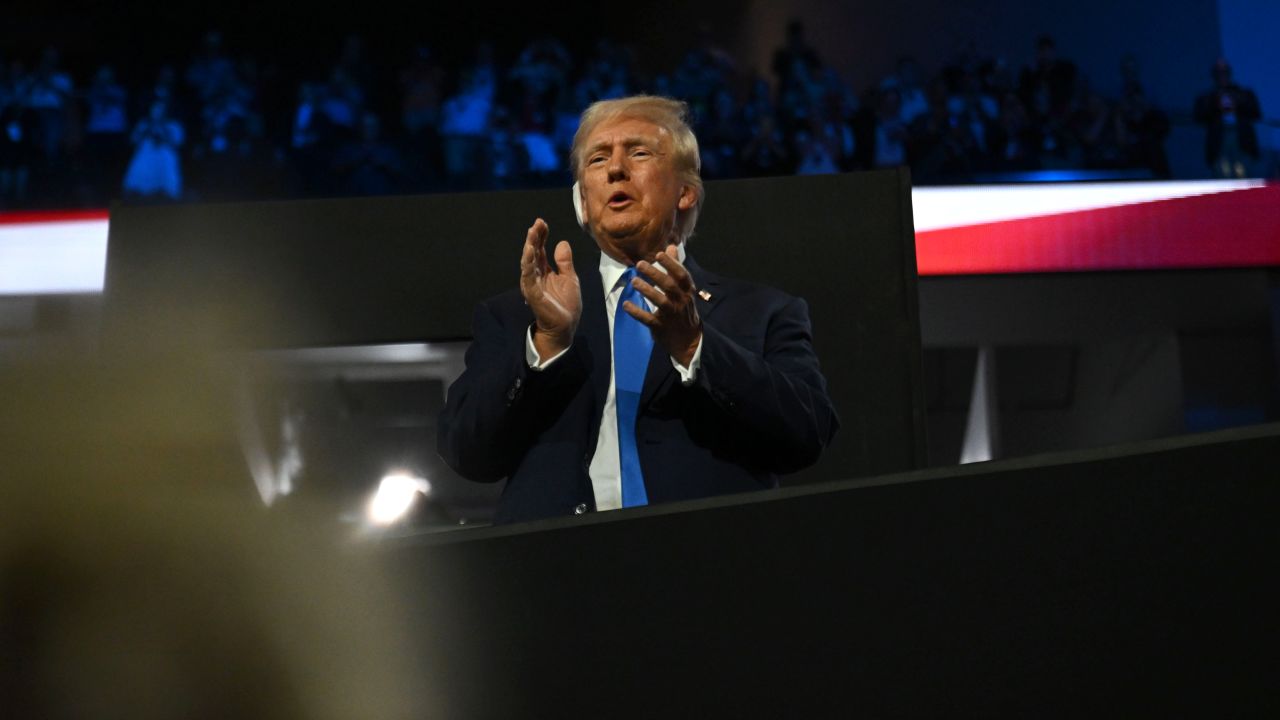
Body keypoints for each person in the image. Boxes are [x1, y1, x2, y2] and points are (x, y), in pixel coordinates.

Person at [437, 95, 838, 524]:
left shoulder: (763, 311)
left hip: (708, 569)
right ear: (583, 203)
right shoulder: (520, 316)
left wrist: (696, 346)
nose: (615, 169)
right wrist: (547, 343)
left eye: (639, 152)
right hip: (555, 571)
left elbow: (807, 434)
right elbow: (467, 453)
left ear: (685, 192)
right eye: (597, 159)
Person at [1193, 58, 1263, 178]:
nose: (1222, 76)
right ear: (1214, 75)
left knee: (1244, 177)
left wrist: (1237, 101)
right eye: (1219, 73)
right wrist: (1215, 103)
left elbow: (1256, 113)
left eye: (1225, 72)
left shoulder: (1243, 94)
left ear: (1229, 73)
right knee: (1223, 178)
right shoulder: (1208, 97)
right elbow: (1199, 116)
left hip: (1241, 140)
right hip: (1219, 141)